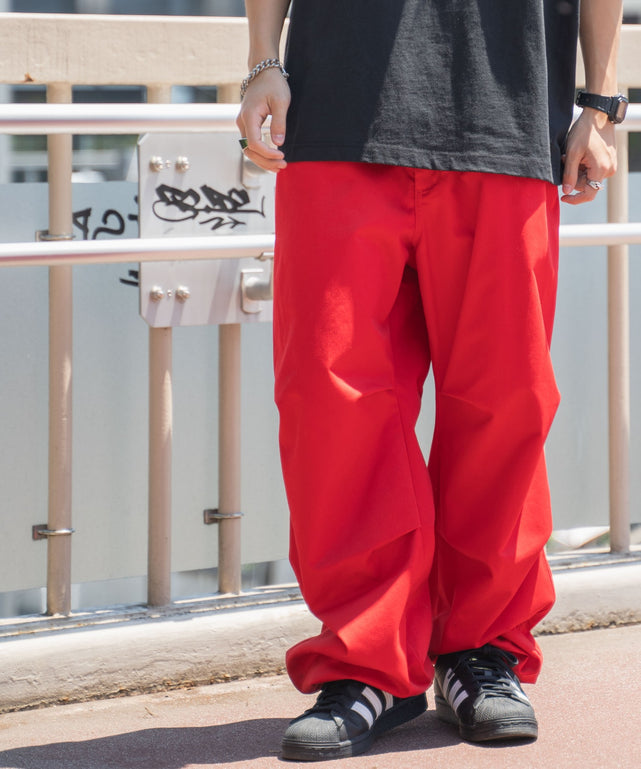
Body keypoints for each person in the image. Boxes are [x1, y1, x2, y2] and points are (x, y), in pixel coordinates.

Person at [237, 0, 625, 761]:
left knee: (505, 400)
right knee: (330, 400)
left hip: (507, 114)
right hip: (336, 110)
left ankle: (480, 649)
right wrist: (262, 61)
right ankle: (365, 661)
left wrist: (601, 103)